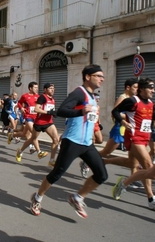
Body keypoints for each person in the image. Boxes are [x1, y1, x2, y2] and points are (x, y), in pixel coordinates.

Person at [29, 64, 108, 219]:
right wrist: (80, 111)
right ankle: (37, 197)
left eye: (103, 76)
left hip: (86, 143)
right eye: (98, 75)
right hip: (72, 141)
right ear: (87, 77)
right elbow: (62, 110)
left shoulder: (93, 97)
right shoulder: (79, 92)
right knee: (56, 174)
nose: (102, 79)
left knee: (102, 175)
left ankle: (77, 197)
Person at [110, 78, 155, 210]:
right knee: (148, 165)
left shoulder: (151, 103)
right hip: (134, 137)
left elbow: (150, 119)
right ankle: (151, 198)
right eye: (150, 88)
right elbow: (115, 112)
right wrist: (123, 122)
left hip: (145, 138)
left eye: (154, 88)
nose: (154, 90)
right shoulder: (132, 101)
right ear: (142, 89)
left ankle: (104, 162)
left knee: (131, 163)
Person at [80, 78, 138, 179]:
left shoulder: (133, 99)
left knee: (133, 156)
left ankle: (133, 178)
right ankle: (87, 161)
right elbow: (115, 113)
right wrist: (131, 117)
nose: (137, 89)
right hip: (120, 129)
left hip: (130, 130)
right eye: (135, 87)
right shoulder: (123, 97)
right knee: (106, 152)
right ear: (128, 87)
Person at [12, 82, 41, 162]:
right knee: (33, 133)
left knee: (25, 134)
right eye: (35, 87)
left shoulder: (38, 97)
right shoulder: (25, 96)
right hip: (28, 117)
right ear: (30, 88)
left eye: (37, 87)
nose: (36, 89)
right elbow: (19, 103)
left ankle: (13, 136)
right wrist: (21, 108)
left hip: (36, 118)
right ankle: (39, 151)